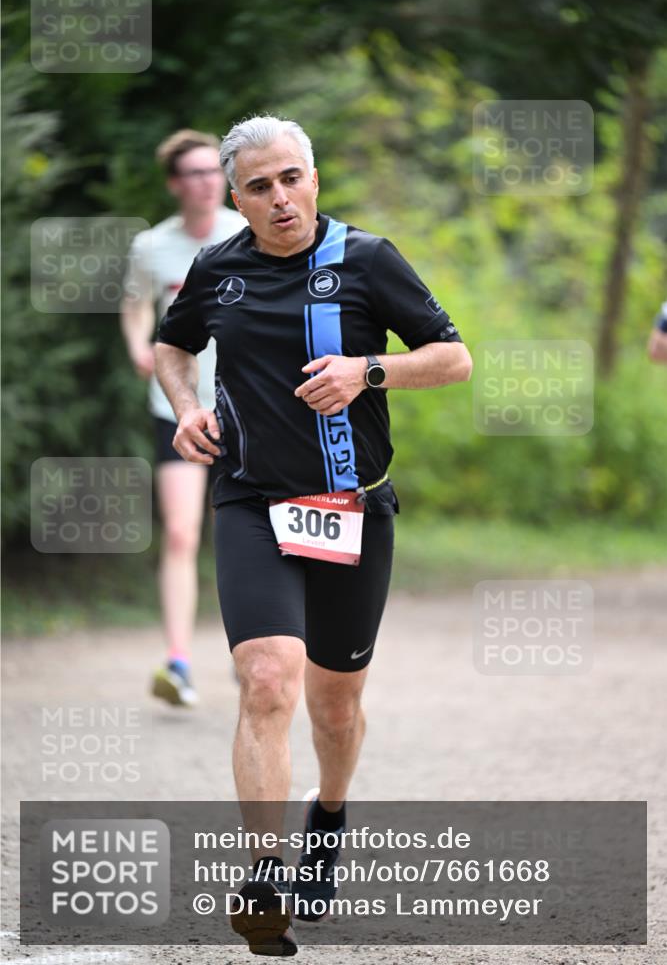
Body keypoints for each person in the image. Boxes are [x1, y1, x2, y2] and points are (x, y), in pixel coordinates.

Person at [154, 115, 473, 955]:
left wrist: (365, 370)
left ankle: (328, 813)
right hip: (251, 503)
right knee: (266, 681)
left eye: (290, 178)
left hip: (351, 508)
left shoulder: (367, 260)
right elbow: (169, 345)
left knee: (336, 708)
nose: (279, 198)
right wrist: (187, 409)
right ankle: (262, 875)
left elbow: (452, 357)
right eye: (259, 186)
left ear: (315, 178)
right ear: (236, 198)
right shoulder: (216, 270)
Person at [120, 129, 246, 707]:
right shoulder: (151, 246)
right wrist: (140, 345)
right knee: (179, 532)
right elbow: (136, 302)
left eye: (211, 170)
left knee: (242, 534)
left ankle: (250, 651)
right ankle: (178, 663)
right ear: (175, 184)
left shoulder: (247, 234)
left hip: (248, 404)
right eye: (192, 172)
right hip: (177, 407)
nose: (204, 181)